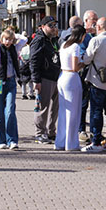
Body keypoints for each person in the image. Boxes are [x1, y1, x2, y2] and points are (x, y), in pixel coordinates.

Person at [82, 16, 106, 153]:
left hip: (97, 81)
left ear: (98, 27)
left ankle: (96, 142)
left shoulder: (95, 40)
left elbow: (86, 59)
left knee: (96, 112)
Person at [30, 16, 61, 144]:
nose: (54, 28)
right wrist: (36, 80)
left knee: (54, 107)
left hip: (54, 76)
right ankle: (40, 133)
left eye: (54, 25)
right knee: (43, 107)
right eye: (50, 26)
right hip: (44, 77)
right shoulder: (39, 40)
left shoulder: (52, 40)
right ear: (42, 27)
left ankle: (51, 131)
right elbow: (34, 60)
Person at [0, 29, 21, 150]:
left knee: (10, 111)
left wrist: (13, 33)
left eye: (10, 40)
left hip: (11, 82)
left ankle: (12, 140)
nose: (8, 42)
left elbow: (23, 40)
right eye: (6, 39)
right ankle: (1, 140)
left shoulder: (14, 49)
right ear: (1, 39)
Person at [55, 24, 84, 151]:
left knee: (62, 112)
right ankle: (71, 143)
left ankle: (60, 142)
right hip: (72, 77)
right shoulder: (76, 46)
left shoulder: (64, 45)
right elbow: (75, 67)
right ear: (81, 36)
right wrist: (84, 62)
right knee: (73, 112)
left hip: (62, 76)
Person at [78, 10, 98, 145]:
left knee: (93, 104)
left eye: (96, 19)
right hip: (83, 74)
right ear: (86, 21)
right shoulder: (83, 36)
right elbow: (82, 55)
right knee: (83, 104)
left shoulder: (93, 36)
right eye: (93, 19)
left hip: (93, 75)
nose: (95, 22)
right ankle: (81, 130)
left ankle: (92, 131)